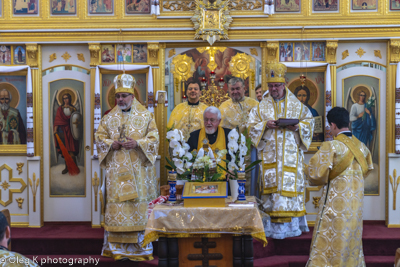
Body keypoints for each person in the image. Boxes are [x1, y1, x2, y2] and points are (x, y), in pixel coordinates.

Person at [95, 73, 159, 261]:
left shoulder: (146, 115)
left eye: (124, 95)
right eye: (118, 96)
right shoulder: (108, 118)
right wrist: (110, 144)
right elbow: (99, 138)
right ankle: (116, 249)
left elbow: (154, 139)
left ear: (133, 96)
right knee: (118, 208)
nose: (120, 99)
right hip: (117, 173)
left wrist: (138, 144)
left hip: (139, 173)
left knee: (137, 210)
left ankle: (141, 249)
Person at [247, 62, 314, 239]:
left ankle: (291, 227)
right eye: (271, 86)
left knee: (289, 189)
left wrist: (298, 127)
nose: (274, 89)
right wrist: (264, 125)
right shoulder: (261, 107)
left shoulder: (298, 106)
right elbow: (250, 127)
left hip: (291, 158)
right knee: (271, 191)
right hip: (269, 158)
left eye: (277, 85)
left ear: (284, 85)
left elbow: (310, 123)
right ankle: (270, 229)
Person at [305, 107, 373, 267]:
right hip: (355, 207)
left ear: (333, 125)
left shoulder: (332, 146)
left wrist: (302, 167)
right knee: (351, 241)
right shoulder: (363, 147)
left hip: (334, 208)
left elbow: (315, 175)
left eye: (329, 126)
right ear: (348, 122)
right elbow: (367, 170)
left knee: (330, 242)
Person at [187, 106, 231, 176]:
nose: (208, 123)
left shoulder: (229, 135)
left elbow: (235, 158)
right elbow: (187, 158)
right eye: (206, 119)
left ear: (219, 121)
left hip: (224, 179)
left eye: (212, 120)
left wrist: (232, 169)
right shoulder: (194, 136)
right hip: (199, 180)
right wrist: (190, 166)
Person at [53, 93, 80, 175]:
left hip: (71, 131)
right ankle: (67, 167)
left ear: (70, 99)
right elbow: (57, 120)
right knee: (65, 150)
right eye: (64, 98)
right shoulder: (59, 109)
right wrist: (55, 130)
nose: (65, 100)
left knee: (71, 150)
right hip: (62, 132)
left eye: (67, 98)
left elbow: (76, 120)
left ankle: (74, 167)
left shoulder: (73, 109)